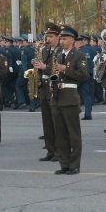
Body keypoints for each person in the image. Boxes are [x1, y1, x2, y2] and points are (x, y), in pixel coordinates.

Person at [51, 25, 88, 175]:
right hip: (56, 96)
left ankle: (74, 165)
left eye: (65, 38)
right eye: (61, 38)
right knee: (60, 135)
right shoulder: (57, 54)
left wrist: (65, 69)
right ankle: (64, 163)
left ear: (72, 40)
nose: (62, 41)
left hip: (70, 96)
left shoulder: (78, 56)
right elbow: (51, 71)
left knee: (73, 134)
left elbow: (83, 75)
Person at [32, 23, 60, 162]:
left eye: (51, 36)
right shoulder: (44, 50)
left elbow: (58, 70)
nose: (48, 39)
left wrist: (45, 67)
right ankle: (50, 150)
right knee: (47, 123)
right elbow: (41, 68)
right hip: (44, 88)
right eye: (47, 36)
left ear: (58, 37)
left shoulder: (61, 50)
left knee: (56, 123)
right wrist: (37, 74)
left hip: (55, 89)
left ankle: (59, 151)